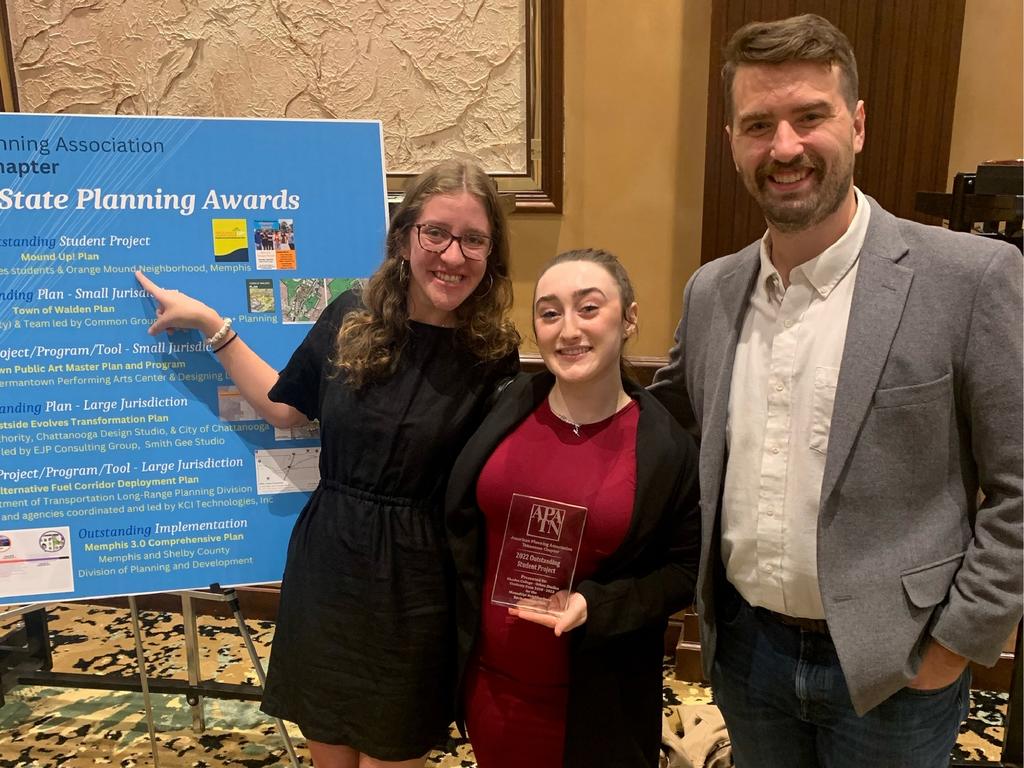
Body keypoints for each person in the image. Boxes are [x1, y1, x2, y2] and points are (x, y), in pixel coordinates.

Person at [649, 13, 1023, 768]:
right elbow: (653, 432)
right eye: (758, 124)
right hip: (746, 658)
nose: (783, 147)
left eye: (808, 117)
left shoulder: (970, 281)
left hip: (897, 671)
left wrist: (956, 644)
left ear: (855, 125)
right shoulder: (711, 292)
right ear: (732, 144)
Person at [136, 159, 521, 768]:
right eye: (437, 233)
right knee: (331, 755)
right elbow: (286, 411)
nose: (453, 255)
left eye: (474, 239)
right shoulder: (351, 315)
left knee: (393, 752)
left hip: (419, 584)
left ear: (491, 253)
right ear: (405, 237)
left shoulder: (493, 353)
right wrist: (213, 325)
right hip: (330, 564)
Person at [446, 248, 701, 767]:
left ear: (629, 318)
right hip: (492, 685)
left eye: (589, 308)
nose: (568, 330)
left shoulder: (665, 448)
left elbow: (685, 568)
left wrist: (595, 604)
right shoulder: (504, 409)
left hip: (597, 699)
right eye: (549, 312)